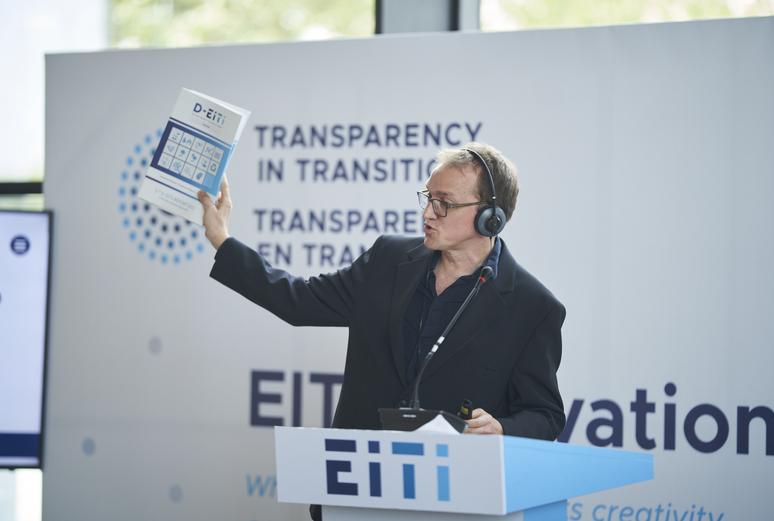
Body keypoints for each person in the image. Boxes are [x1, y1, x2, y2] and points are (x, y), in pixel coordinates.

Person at [198, 142, 565, 439]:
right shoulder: (388, 259)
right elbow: (298, 301)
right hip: (357, 484)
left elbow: (545, 415)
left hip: (453, 496)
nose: (428, 213)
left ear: (491, 217)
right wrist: (222, 240)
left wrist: (503, 428)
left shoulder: (533, 307)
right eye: (428, 197)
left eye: (445, 203)